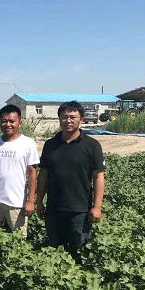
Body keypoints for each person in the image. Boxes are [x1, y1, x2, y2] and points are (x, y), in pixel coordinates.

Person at [37, 101, 105, 260]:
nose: (68, 121)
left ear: (81, 120)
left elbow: (98, 176)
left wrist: (97, 206)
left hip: (80, 210)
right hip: (54, 209)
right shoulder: (50, 145)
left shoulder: (92, 145)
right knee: (53, 252)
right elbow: (43, 175)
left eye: (72, 117)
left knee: (78, 252)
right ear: (59, 119)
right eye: (64, 117)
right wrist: (39, 201)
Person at [0, 104, 39, 234]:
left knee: (18, 240)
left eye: (12, 121)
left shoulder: (28, 144)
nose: (8, 124)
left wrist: (31, 201)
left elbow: (32, 173)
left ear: (20, 123)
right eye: (4, 121)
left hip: (17, 202)